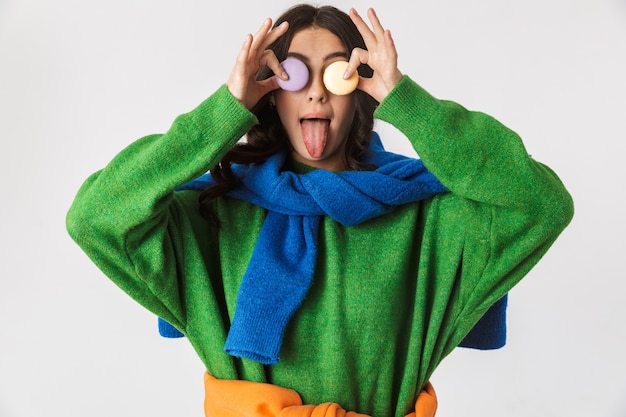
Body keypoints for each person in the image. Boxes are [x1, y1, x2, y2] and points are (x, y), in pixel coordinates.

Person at [66, 4, 573, 417]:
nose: (314, 90)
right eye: (294, 73)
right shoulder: (212, 215)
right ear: (271, 92)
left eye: (336, 72)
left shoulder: (426, 218)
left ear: (360, 90)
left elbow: (542, 204)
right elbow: (94, 216)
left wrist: (407, 100)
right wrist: (221, 110)